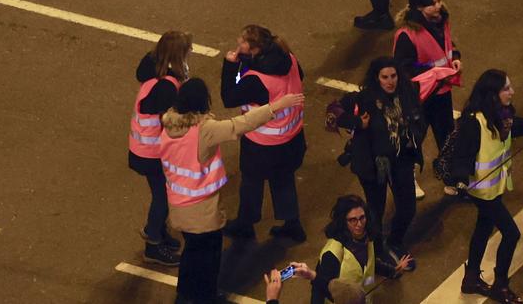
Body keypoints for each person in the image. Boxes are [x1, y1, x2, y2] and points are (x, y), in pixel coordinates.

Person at [157, 76, 304, 304]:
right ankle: (206, 298)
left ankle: (184, 294)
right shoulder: (203, 131)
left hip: (178, 206)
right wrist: (276, 106)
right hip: (202, 211)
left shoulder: (169, 124)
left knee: (191, 253)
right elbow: (240, 124)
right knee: (209, 258)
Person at [456, 69, 523, 304]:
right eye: (506, 88)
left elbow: (515, 126)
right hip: (482, 191)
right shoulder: (474, 121)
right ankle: (501, 285)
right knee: (511, 234)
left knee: (483, 227)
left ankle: (471, 279)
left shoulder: (501, 115)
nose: (512, 92)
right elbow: (461, 154)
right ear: (493, 94)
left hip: (491, 189)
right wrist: (459, 180)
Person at [331, 57, 423, 271]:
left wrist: (413, 136)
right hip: (373, 164)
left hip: (401, 158)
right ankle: (378, 250)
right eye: (385, 77)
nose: (390, 81)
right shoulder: (365, 98)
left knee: (408, 207)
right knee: (375, 209)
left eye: (393, 76)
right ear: (377, 78)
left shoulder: (407, 94)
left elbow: (420, 119)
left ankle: (395, 241)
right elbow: (334, 110)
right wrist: (356, 123)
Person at [220, 25, 307, 243]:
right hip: (292, 137)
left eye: (242, 43)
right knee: (284, 181)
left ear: (254, 49)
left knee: (251, 184)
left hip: (262, 144)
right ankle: (292, 224)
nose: (238, 45)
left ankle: (245, 224)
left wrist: (230, 67)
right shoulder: (289, 58)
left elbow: (229, 98)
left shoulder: (257, 81)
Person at [130, 31, 193, 265]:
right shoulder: (167, 87)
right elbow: (170, 122)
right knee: (163, 198)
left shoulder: (154, 71)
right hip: (153, 153)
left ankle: (158, 232)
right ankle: (153, 243)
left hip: (144, 148)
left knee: (161, 195)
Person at [392, 0, 462, 190]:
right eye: (433, 4)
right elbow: (402, 69)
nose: (439, 6)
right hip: (420, 96)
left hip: (441, 92)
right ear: (418, 8)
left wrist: (455, 56)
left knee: (447, 137)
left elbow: (448, 44)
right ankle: (408, 179)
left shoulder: (441, 21)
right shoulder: (407, 35)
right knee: (413, 139)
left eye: (439, 0)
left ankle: (451, 179)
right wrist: (435, 73)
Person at [309, 194, 404, 302]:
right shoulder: (332, 253)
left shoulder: (367, 238)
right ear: (343, 221)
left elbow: (369, 265)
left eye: (362, 218)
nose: (359, 224)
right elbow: (319, 288)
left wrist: (392, 271)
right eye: (353, 220)